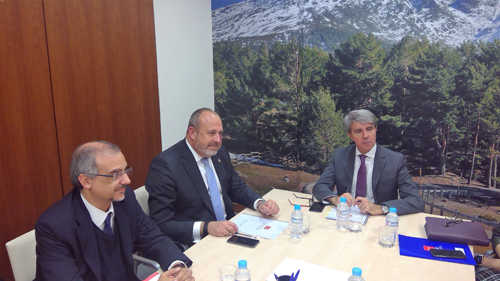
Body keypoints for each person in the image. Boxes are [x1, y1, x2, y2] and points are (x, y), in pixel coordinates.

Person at [35, 141, 195, 281]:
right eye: (115, 175)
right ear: (86, 181)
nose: (127, 180)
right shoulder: (53, 227)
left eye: (125, 171)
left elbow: (152, 237)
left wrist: (177, 266)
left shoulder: (125, 200)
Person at [146, 108, 280, 247]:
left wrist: (260, 204)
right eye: (211, 133)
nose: (217, 140)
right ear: (192, 133)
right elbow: (162, 224)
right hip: (195, 243)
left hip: (230, 232)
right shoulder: (165, 165)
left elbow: (236, 187)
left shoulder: (219, 153)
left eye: (220, 133)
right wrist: (207, 227)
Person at [313, 109, 424, 215]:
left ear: (375, 129)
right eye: (358, 131)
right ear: (350, 135)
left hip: (379, 219)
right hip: (345, 215)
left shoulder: (395, 160)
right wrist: (336, 199)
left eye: (369, 129)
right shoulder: (340, 155)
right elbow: (320, 186)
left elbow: (415, 201)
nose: (365, 136)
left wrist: (380, 208)